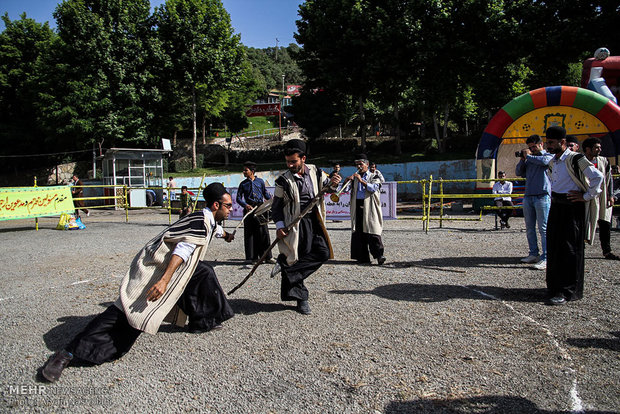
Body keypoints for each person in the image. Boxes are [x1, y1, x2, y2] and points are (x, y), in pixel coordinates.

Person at [40, 183, 236, 382]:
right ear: (215, 205)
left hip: (171, 267)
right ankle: (66, 354)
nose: (231, 209)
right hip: (154, 267)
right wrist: (163, 281)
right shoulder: (199, 222)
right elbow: (182, 250)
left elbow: (216, 230)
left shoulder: (207, 220)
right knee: (128, 312)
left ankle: (202, 320)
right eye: (228, 206)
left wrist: (227, 236)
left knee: (203, 272)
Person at [271, 139, 341, 315]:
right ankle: (302, 300)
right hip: (295, 224)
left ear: (303, 158)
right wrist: (280, 227)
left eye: (293, 161)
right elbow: (276, 207)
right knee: (298, 256)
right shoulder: (282, 181)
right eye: (288, 161)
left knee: (323, 252)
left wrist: (334, 182)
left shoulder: (316, 172)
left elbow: (329, 189)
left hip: (314, 219)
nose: (290, 165)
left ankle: (287, 269)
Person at [544, 126, 604, 305]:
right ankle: (554, 286)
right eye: (548, 142)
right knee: (554, 245)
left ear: (563, 142)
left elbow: (597, 177)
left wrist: (585, 196)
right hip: (556, 205)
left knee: (569, 248)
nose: (549, 146)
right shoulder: (553, 161)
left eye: (552, 143)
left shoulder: (576, 158)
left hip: (571, 206)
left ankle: (568, 290)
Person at [515, 134, 553, 270]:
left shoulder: (547, 156)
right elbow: (519, 172)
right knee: (530, 228)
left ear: (541, 144)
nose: (532, 149)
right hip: (528, 196)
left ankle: (546, 257)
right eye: (530, 147)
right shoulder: (529, 159)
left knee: (543, 228)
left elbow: (544, 162)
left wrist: (529, 156)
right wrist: (522, 159)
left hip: (542, 196)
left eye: (534, 147)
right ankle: (533, 253)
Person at [582, 137, 619, 260]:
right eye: (596, 147)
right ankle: (580, 251)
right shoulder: (579, 161)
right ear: (588, 149)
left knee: (605, 223)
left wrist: (611, 195)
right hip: (586, 197)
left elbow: (609, 179)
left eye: (599, 147)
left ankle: (607, 251)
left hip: (602, 197)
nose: (599, 149)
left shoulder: (604, 161)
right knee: (584, 224)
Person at [349, 154, 386, 265]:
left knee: (373, 231)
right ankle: (362, 257)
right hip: (358, 205)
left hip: (370, 206)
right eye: (357, 164)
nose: (359, 166)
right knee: (359, 231)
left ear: (367, 164)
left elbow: (374, 188)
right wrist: (348, 180)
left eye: (361, 164)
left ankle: (379, 255)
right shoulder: (355, 177)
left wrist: (362, 181)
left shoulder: (374, 176)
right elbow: (346, 189)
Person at [236, 161, 273, 264]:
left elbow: (265, 194)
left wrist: (272, 201)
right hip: (249, 210)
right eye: (243, 170)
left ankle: (267, 257)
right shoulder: (243, 184)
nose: (243, 172)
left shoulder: (260, 182)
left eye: (245, 170)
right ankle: (252, 258)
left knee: (263, 232)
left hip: (260, 209)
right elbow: (238, 198)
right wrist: (245, 205)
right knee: (250, 233)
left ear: (252, 171)